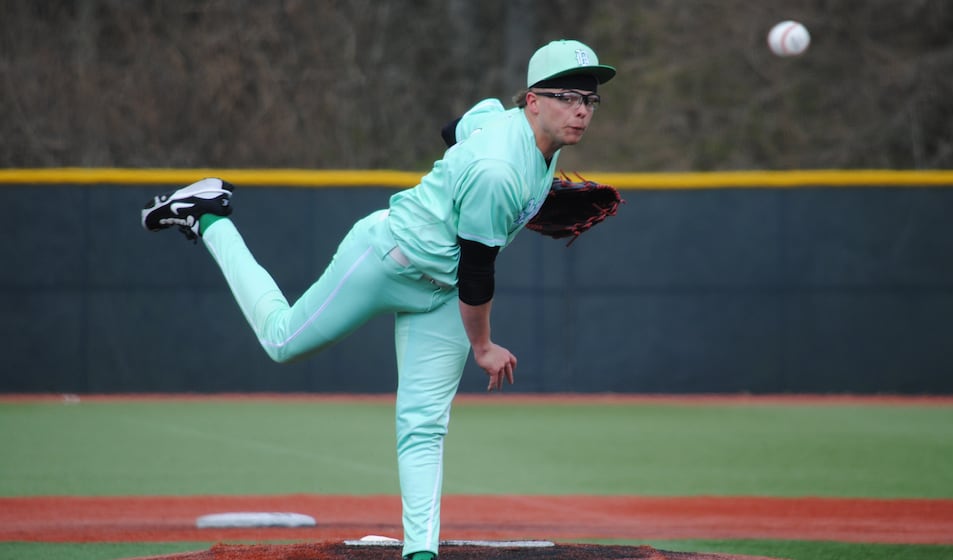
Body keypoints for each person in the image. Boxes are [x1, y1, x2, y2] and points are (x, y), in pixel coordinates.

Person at [141, 39, 615, 560]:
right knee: (282, 341)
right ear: (532, 100)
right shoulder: (499, 171)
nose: (580, 110)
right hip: (386, 260)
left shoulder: (496, 123)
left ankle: (420, 552)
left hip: (441, 294)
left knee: (424, 425)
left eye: (589, 101)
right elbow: (479, 273)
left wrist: (469, 187)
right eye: (567, 95)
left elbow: (452, 131)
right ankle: (208, 214)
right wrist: (482, 348)